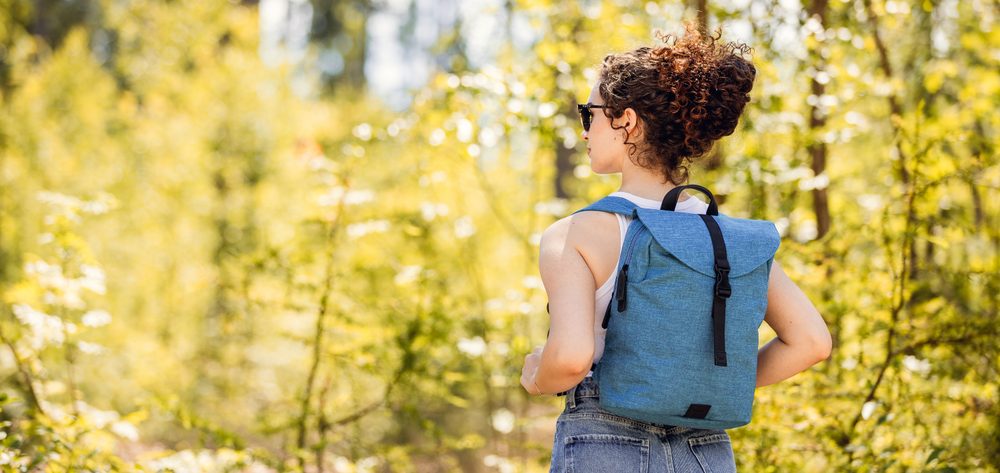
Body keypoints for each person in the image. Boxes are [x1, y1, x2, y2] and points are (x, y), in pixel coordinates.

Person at [520, 22, 833, 473]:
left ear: (625, 121)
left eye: (590, 114)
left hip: (604, 441)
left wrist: (536, 374)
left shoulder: (576, 234)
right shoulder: (726, 238)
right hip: (705, 448)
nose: (584, 131)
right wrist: (707, 382)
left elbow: (570, 359)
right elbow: (811, 342)